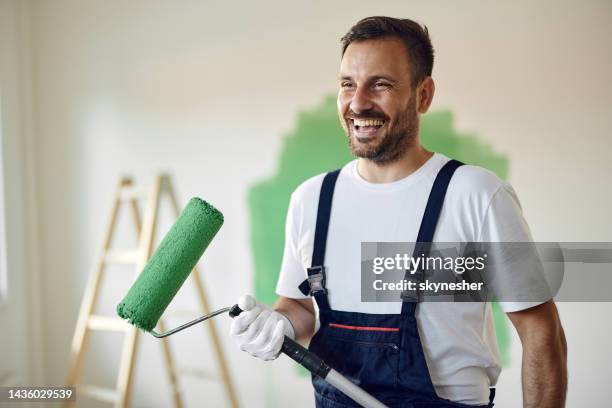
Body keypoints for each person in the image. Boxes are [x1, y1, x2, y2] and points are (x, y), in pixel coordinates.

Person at [230, 16, 567, 408]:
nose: (358, 103)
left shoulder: (476, 194)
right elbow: (301, 306)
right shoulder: (311, 199)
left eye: (381, 84)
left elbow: (541, 332)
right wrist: (280, 324)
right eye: (347, 85)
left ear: (423, 95)